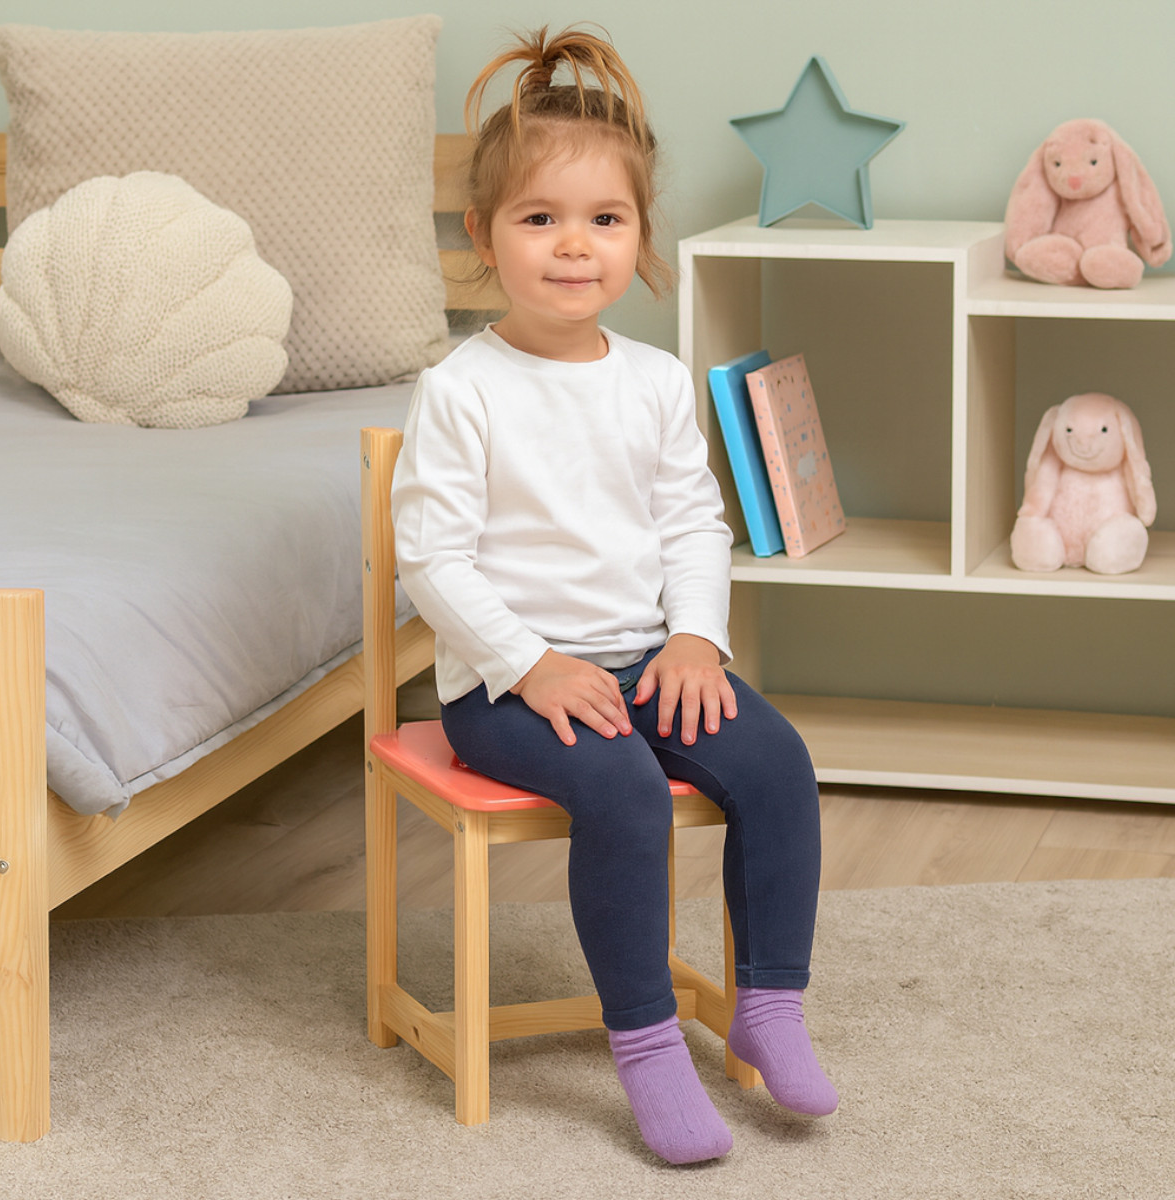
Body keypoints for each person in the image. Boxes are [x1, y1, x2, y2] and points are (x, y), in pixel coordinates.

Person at [392, 25, 837, 1164]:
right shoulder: (461, 390)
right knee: (627, 792)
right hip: (508, 687)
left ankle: (770, 1004)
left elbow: (693, 524)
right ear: (483, 235)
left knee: (777, 763)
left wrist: (696, 640)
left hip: (647, 658)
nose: (573, 246)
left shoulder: (651, 381)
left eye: (604, 220)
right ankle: (646, 1045)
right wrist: (531, 666)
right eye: (539, 219)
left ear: (639, 237)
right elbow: (432, 561)